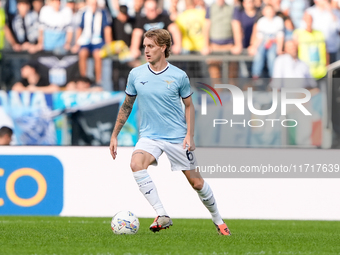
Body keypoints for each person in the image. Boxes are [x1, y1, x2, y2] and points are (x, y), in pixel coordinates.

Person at [109, 28, 231, 235]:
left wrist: (189, 135)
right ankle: (161, 213)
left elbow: (189, 106)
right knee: (136, 164)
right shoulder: (136, 74)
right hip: (150, 137)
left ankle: (218, 220)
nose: (146, 50)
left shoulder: (178, 76)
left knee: (197, 183)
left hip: (176, 137)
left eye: (151, 46)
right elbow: (127, 105)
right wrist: (114, 135)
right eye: (144, 46)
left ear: (163, 48)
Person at [72, 0, 112, 85]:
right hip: (86, 40)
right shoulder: (83, 13)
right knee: (82, 53)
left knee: (98, 54)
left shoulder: (103, 13)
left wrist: (109, 45)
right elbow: (80, 28)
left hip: (98, 40)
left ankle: (98, 80)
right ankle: (83, 80)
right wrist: (76, 44)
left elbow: (107, 29)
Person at [251, 4, 284, 78]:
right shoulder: (261, 21)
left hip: (274, 42)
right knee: (259, 55)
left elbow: (280, 36)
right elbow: (259, 37)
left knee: (272, 56)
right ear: (264, 12)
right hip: (263, 41)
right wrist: (254, 47)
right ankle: (256, 75)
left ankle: (273, 76)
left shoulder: (278, 20)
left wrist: (279, 49)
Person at [293, 12, 328, 80]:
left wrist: (327, 63)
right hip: (306, 71)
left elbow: (326, 50)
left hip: (320, 70)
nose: (309, 21)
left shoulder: (320, 33)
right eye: (307, 19)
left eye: (310, 19)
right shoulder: (298, 33)